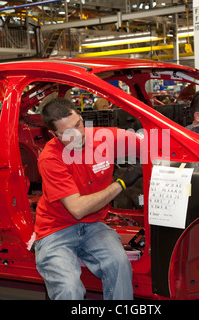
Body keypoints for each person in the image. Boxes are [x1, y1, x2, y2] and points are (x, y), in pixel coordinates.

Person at [34, 98, 142, 300]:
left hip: (94, 225)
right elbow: (77, 209)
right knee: (69, 289)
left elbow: (151, 144)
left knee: (119, 265)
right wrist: (120, 183)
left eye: (78, 124)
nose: (78, 134)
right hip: (55, 230)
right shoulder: (51, 158)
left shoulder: (104, 138)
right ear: (54, 134)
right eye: (68, 133)